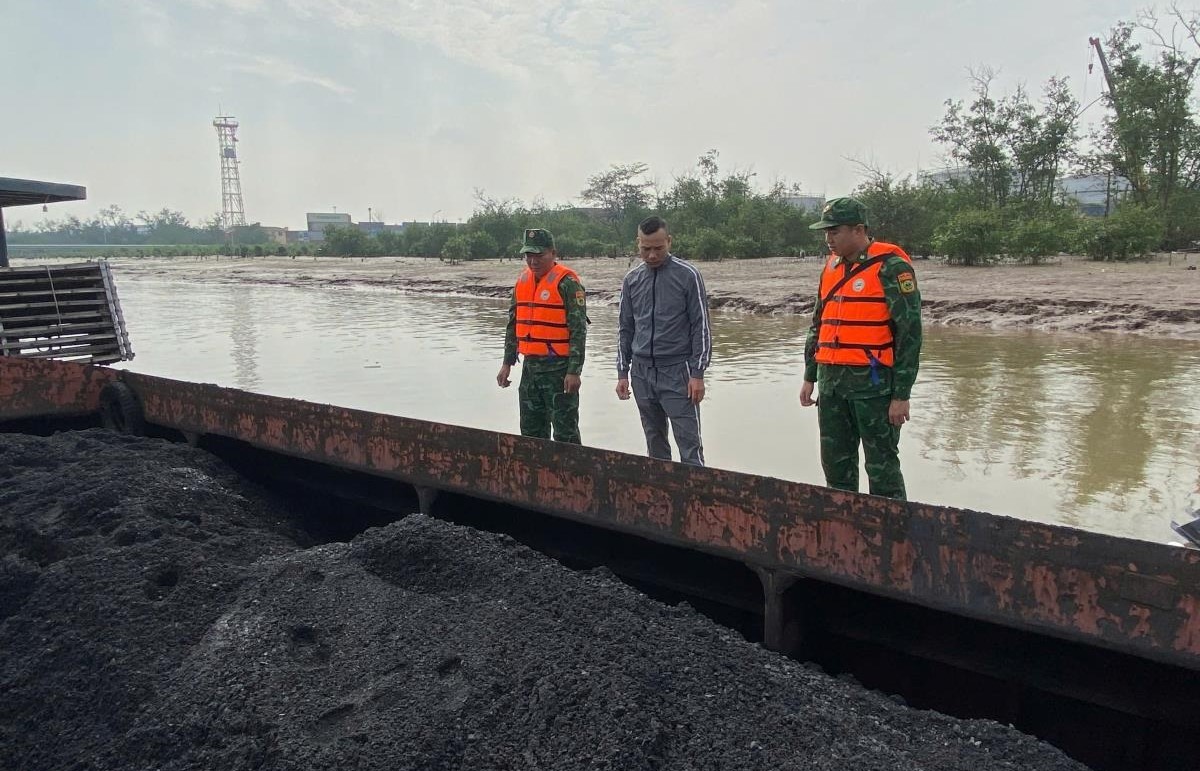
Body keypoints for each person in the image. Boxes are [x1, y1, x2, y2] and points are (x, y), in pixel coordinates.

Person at [798, 196, 922, 499]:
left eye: (834, 231)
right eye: (826, 233)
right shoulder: (830, 267)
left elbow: (909, 334)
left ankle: (891, 525)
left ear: (858, 229)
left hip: (873, 388)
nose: (828, 239)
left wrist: (901, 395)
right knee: (836, 468)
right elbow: (818, 324)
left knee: (882, 469)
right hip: (831, 386)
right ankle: (842, 523)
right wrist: (810, 375)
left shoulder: (891, 267)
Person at [616, 216, 712, 465]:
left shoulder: (688, 275)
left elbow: (701, 326)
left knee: (689, 446)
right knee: (655, 445)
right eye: (645, 248)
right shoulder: (631, 280)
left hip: (678, 372)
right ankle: (660, 489)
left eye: (658, 248)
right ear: (638, 243)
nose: (652, 255)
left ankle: (695, 488)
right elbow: (625, 329)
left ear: (669, 241)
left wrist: (698, 374)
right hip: (641, 373)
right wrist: (622, 373)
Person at [496, 228, 587, 443]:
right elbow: (513, 325)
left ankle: (571, 465)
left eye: (539, 255)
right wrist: (507, 363)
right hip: (530, 369)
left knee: (565, 433)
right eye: (528, 255)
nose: (533, 261)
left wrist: (574, 371)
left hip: (559, 369)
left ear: (553, 253)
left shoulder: (567, 283)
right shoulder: (522, 282)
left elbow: (578, 330)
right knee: (530, 431)